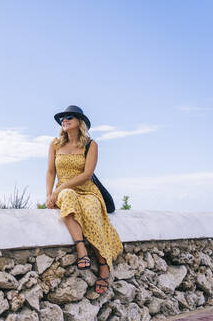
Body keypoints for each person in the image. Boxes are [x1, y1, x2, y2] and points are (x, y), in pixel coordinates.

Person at [46, 105, 124, 294]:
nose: (65, 120)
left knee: (90, 212)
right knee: (68, 197)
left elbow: (88, 174)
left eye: (69, 117)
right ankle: (81, 249)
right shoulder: (55, 144)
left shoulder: (90, 144)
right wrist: (49, 194)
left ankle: (103, 265)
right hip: (64, 193)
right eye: (63, 118)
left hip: (87, 191)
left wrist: (62, 186)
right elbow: (50, 171)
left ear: (79, 122)